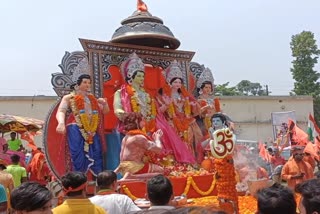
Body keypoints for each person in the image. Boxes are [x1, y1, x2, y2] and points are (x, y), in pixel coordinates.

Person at [56, 74, 109, 176]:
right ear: (78, 84)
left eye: (89, 83)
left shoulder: (92, 99)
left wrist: (105, 104)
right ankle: (77, 178)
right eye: (85, 82)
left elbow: (105, 112)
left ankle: (99, 180)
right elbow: (61, 111)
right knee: (77, 154)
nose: (87, 85)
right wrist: (61, 123)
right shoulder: (69, 97)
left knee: (97, 153)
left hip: (92, 130)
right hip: (76, 127)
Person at [157, 60, 203, 159]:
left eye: (179, 82)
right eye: (175, 82)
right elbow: (159, 112)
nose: (178, 84)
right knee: (176, 141)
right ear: (170, 82)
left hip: (187, 120)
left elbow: (195, 111)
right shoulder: (163, 95)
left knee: (189, 139)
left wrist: (192, 105)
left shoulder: (184, 95)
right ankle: (178, 161)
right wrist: (166, 104)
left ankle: (190, 159)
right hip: (172, 121)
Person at [115, 112, 164, 179]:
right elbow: (158, 150)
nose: (144, 123)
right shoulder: (138, 137)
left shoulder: (126, 137)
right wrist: (157, 138)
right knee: (161, 171)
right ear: (136, 121)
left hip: (123, 167)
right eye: (142, 120)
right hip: (134, 167)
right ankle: (132, 177)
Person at [196, 67, 221, 135]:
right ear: (201, 88)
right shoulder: (199, 100)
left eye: (209, 87)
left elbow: (219, 110)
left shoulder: (214, 100)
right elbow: (197, 113)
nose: (208, 89)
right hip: (203, 122)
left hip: (216, 121)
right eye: (206, 87)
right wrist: (205, 108)